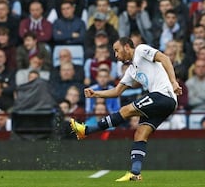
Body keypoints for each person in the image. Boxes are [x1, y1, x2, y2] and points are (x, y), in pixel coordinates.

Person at [70, 37, 183, 181]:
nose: (116, 55)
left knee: (126, 110)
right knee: (140, 134)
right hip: (165, 103)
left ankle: (86, 130)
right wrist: (96, 93)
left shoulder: (141, 50)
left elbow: (165, 58)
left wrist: (173, 82)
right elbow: (117, 91)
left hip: (163, 95)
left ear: (127, 47)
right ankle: (135, 173)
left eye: (117, 50)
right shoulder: (131, 71)